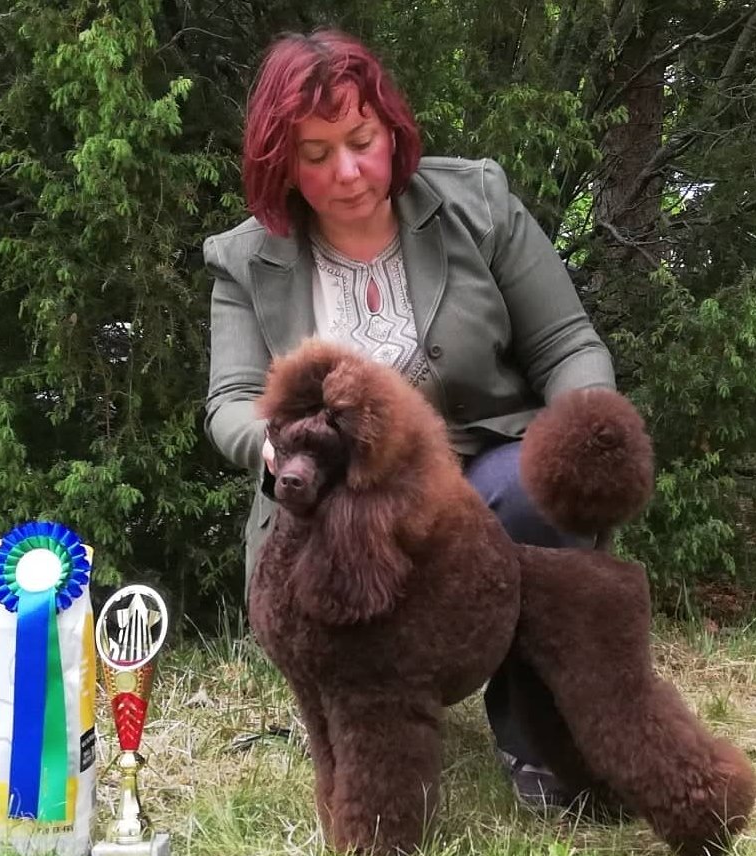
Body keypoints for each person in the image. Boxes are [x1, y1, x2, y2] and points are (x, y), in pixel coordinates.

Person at [203, 29, 616, 811]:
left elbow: (568, 345)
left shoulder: (478, 203)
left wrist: (582, 437)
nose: (347, 170)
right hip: (334, 498)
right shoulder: (243, 260)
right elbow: (228, 401)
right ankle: (373, 755)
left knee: (531, 492)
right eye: (316, 153)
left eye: (361, 141)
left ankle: (536, 740)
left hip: (482, 471)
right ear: (281, 163)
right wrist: (275, 447)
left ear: (391, 129)